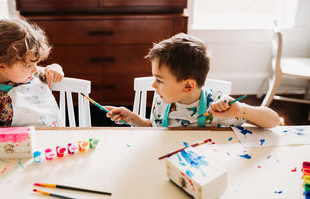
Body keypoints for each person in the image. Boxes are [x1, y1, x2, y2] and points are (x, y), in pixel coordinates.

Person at [106, 33, 280, 128]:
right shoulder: (162, 101)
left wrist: (241, 110)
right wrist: (133, 118)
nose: (153, 85)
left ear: (188, 85)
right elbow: (154, 127)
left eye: (159, 80)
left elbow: (274, 121)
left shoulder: (218, 105)